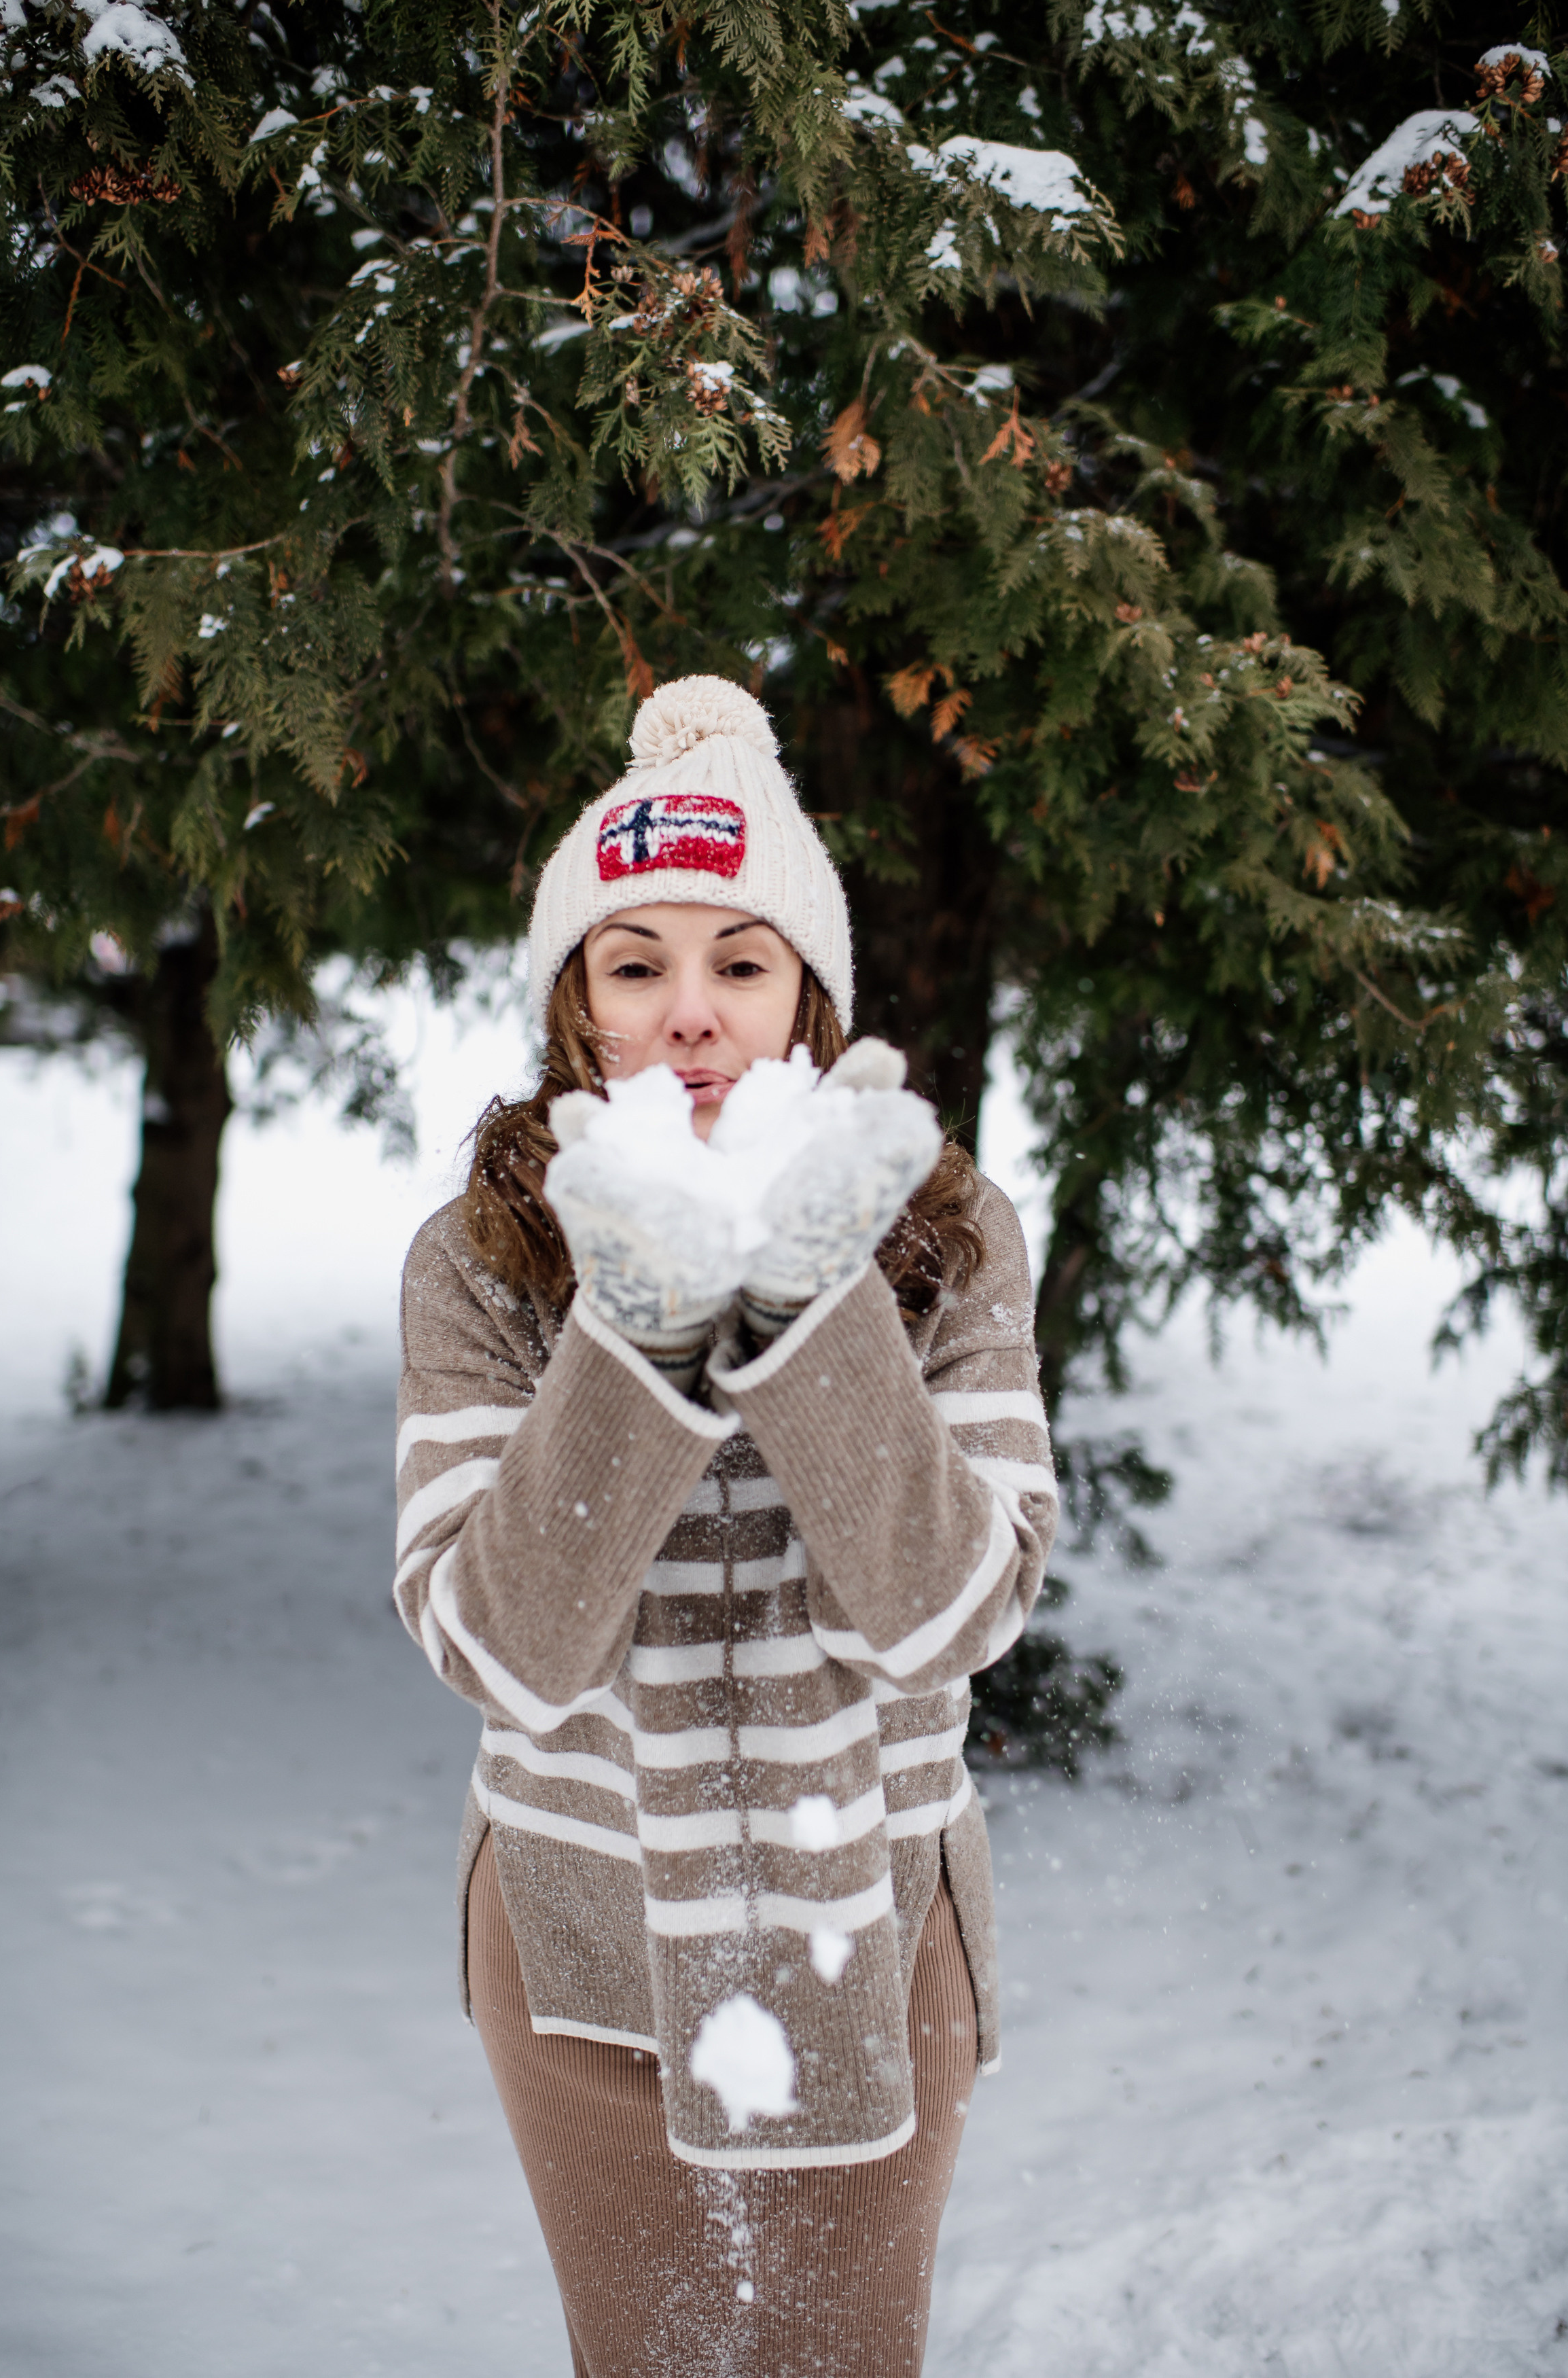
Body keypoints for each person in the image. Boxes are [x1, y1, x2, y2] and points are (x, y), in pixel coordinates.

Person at [393, 675, 1058, 2377]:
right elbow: (496, 1645)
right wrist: (636, 1330)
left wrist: (810, 1309)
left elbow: (956, 1613)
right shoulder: (480, 1258)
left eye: (740, 963)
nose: (690, 1015)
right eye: (635, 965)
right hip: (582, 1927)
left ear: (809, 1001)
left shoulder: (945, 1230)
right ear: (572, 1007)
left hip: (870, 1921)